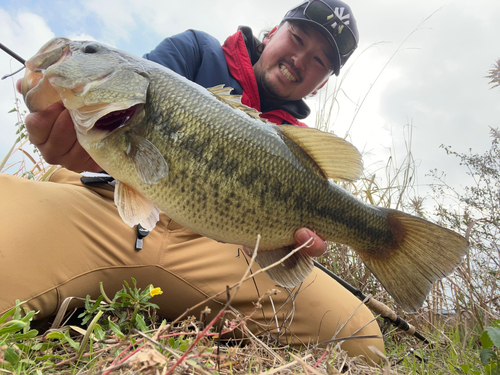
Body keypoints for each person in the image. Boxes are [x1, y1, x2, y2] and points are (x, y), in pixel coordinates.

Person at [1, 0, 385, 364]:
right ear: (272, 33)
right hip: (104, 216)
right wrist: (74, 133)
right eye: (297, 39)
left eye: (319, 60)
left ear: (320, 84)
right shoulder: (197, 51)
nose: (299, 59)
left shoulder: (298, 148)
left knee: (362, 338)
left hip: (215, 254)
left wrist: (289, 248)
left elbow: (281, 255)